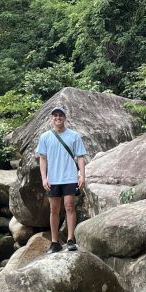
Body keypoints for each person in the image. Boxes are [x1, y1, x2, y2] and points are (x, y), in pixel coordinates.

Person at [36, 105, 87, 254]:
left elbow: (80, 157)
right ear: (51, 118)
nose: (58, 118)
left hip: (70, 176)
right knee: (54, 209)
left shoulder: (74, 136)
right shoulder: (45, 137)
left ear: (65, 118)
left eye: (60, 115)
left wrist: (82, 175)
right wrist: (44, 178)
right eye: (55, 115)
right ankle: (54, 242)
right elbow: (43, 159)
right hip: (53, 179)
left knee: (69, 206)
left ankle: (71, 240)